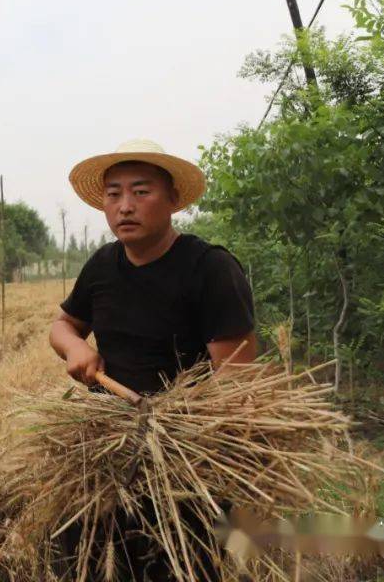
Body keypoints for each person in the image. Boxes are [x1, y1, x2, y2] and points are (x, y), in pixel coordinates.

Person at [48, 140, 257, 581]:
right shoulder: (102, 266)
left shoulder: (211, 269)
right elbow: (62, 326)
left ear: (173, 200)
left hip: (185, 455)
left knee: (185, 565)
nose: (125, 206)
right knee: (90, 559)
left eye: (141, 192)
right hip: (105, 445)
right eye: (114, 194)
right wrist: (77, 347)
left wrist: (172, 428)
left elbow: (236, 384)